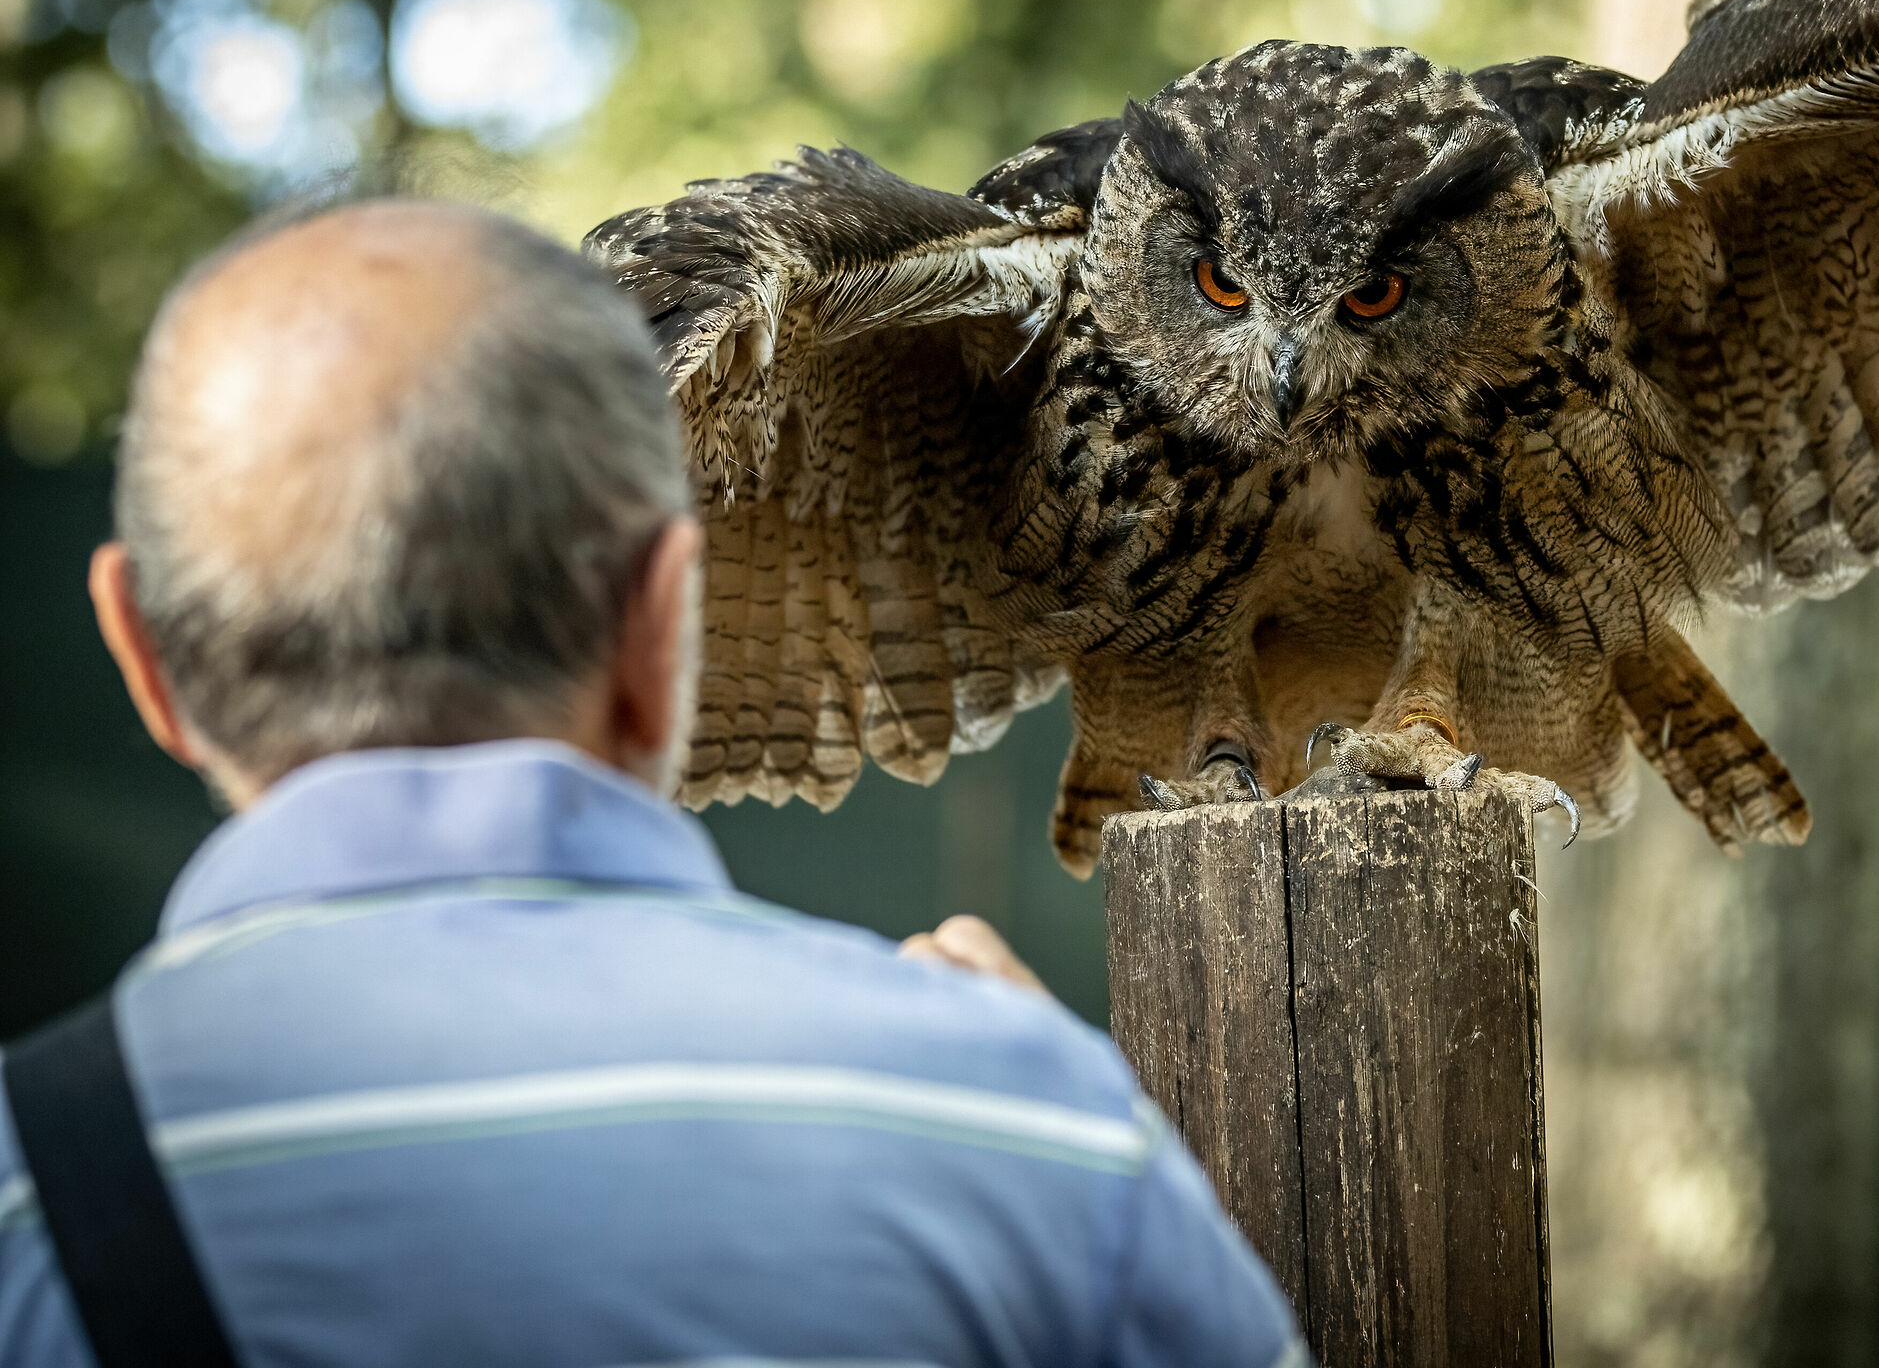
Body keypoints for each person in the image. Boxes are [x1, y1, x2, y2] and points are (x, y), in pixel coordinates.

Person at [0, 201, 1305, 1367]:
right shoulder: (1020, 1126)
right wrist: (1034, 1114)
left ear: (142, 652)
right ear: (665, 618)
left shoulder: (26, 1190)